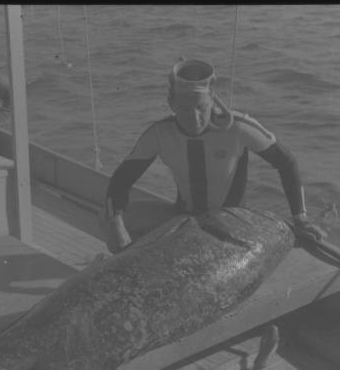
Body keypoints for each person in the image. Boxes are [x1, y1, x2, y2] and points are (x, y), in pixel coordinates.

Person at [101, 58, 326, 254]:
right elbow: (122, 179)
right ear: (171, 104)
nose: (195, 117)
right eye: (185, 109)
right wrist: (115, 225)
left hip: (230, 224)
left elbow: (286, 162)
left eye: (201, 107)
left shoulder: (238, 127)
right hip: (184, 218)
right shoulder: (160, 133)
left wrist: (301, 219)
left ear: (212, 100)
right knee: (108, 219)